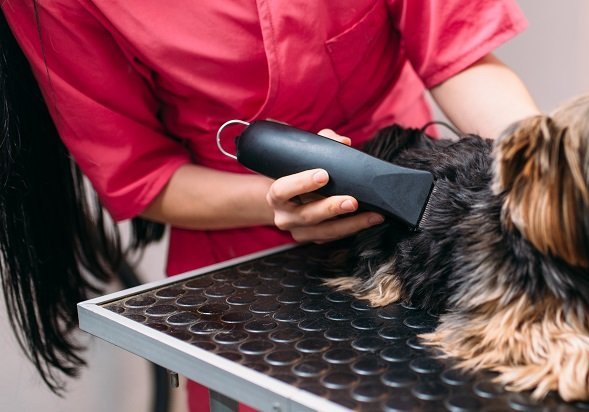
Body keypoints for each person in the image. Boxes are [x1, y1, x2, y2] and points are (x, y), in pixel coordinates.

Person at [0, 0, 539, 410]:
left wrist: (546, 181)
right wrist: (271, 199)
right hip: (240, 272)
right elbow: (142, 175)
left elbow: (458, 50)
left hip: (413, 219)